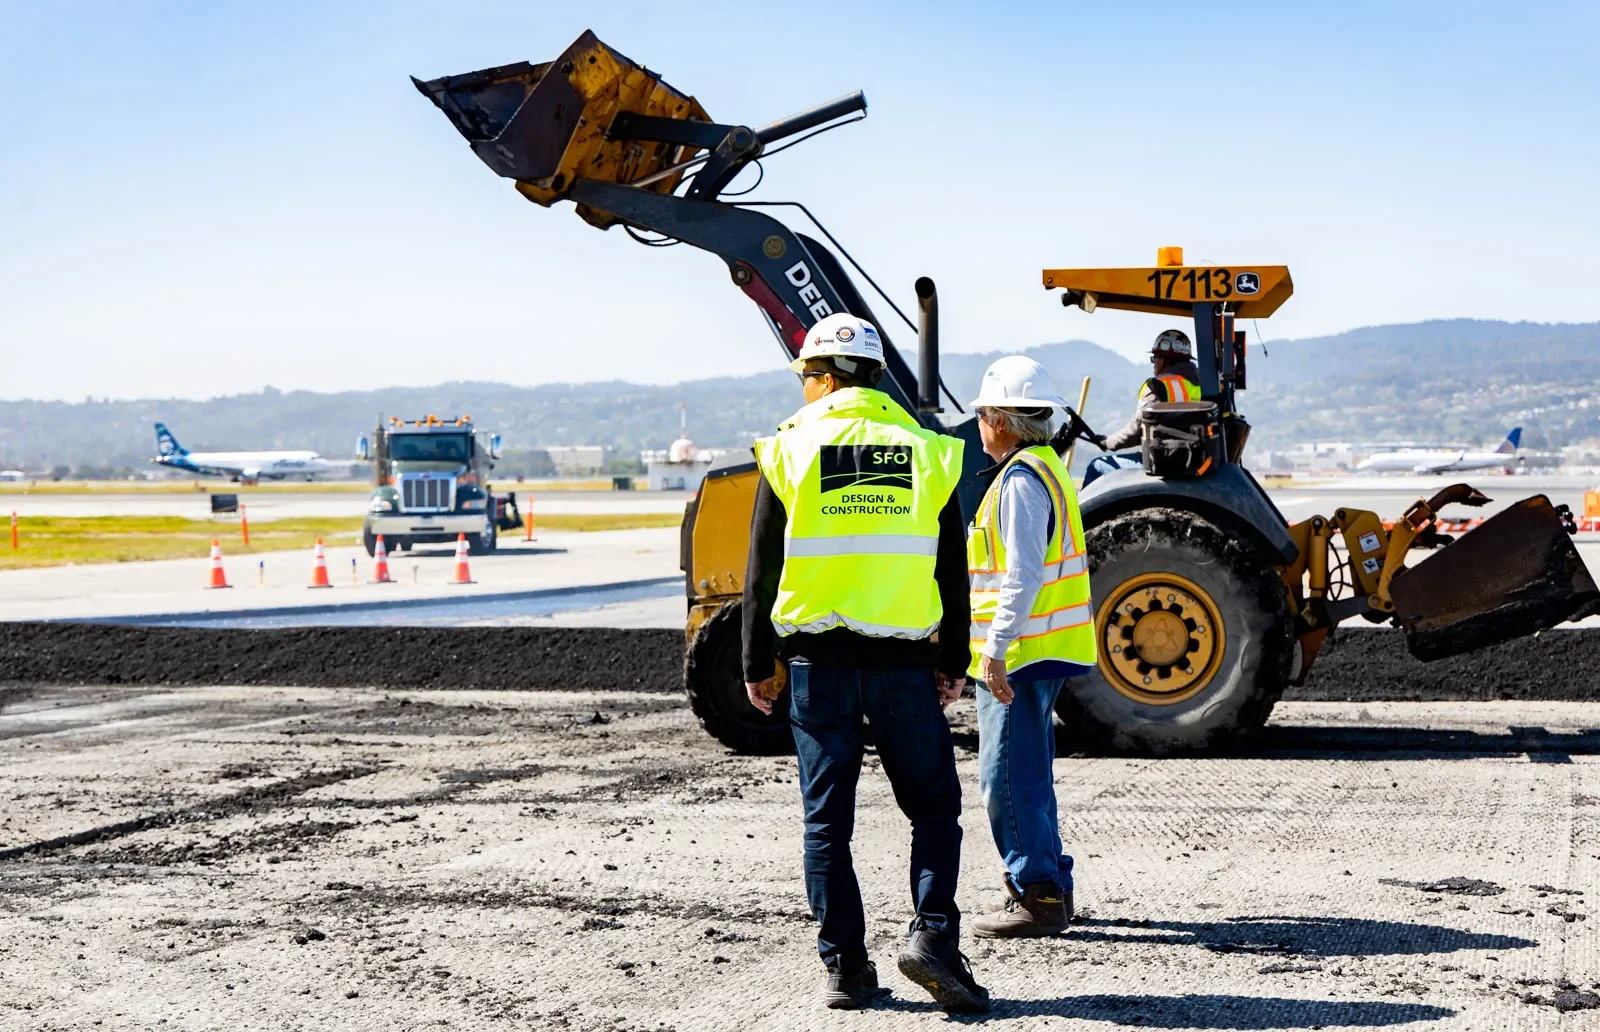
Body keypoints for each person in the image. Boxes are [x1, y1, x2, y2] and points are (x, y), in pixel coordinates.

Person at [741, 312, 988, 1012]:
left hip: (818, 666)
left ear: (822, 378)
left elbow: (762, 568)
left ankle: (846, 970)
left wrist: (758, 661)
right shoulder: (928, 448)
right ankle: (934, 940)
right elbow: (952, 568)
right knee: (935, 808)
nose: (805, 391)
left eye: (806, 379)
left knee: (827, 825)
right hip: (905, 665)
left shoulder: (791, 447)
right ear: (875, 375)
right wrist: (954, 658)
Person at [966, 356, 1097, 938]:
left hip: (1020, 654)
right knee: (1030, 775)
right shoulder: (1045, 469)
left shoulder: (1019, 482)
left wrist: (995, 648)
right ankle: (1050, 883)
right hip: (1042, 649)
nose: (977, 425)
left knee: (1008, 779)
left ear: (1000, 419)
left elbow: (1021, 576)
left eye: (981, 415)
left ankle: (1036, 893)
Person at [1083, 328, 1203, 485]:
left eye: (1154, 358)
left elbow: (1137, 429)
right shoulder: (1205, 384)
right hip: (1195, 459)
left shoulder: (1157, 386)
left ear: (1165, 359)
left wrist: (1108, 442)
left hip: (1164, 461)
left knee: (1097, 466)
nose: (1154, 365)